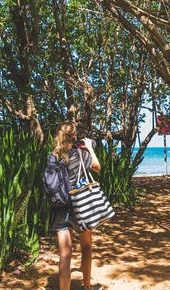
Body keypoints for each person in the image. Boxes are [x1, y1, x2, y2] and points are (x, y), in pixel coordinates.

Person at [50, 121, 102, 290]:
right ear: (74, 136)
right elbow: (97, 168)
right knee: (86, 248)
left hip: (60, 207)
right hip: (81, 207)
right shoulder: (80, 154)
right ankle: (87, 287)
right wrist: (89, 148)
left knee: (65, 254)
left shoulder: (53, 156)